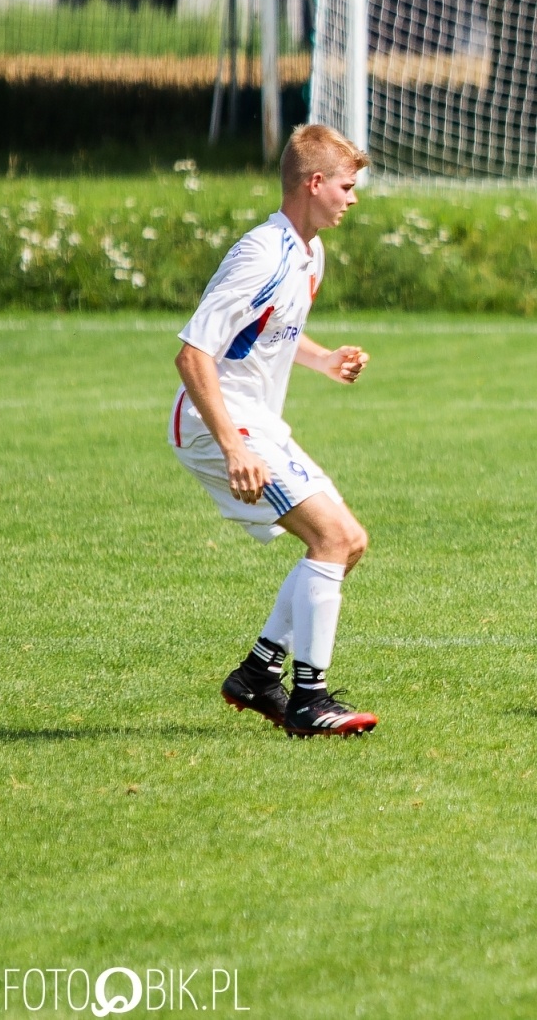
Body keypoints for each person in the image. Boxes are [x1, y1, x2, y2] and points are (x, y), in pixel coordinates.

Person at [170, 124, 379, 739]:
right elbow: (192, 353)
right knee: (333, 537)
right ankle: (310, 701)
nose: (352, 198)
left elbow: (270, 330)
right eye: (346, 185)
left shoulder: (309, 253)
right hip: (218, 424)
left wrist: (322, 360)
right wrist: (234, 446)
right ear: (314, 184)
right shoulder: (261, 252)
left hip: (256, 422)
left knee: (351, 542)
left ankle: (260, 674)